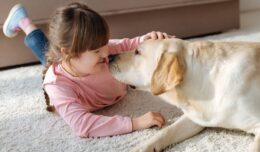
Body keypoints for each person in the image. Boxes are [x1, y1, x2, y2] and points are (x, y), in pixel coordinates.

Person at [3, 3, 172, 137]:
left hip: (70, 59)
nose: (106, 54)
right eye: (97, 51)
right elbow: (82, 125)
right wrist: (134, 123)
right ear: (68, 53)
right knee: (45, 52)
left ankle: (23, 22)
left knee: (50, 50)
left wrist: (149, 39)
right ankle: (23, 22)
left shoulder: (104, 50)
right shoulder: (57, 84)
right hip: (63, 70)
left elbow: (130, 45)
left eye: (105, 44)